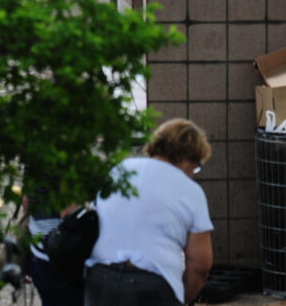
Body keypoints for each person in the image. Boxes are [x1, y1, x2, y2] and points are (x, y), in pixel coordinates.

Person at [85, 119, 213, 306]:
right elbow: (200, 264)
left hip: (100, 281)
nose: (193, 173)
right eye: (195, 166)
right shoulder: (190, 190)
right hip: (152, 288)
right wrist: (181, 297)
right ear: (187, 158)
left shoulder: (119, 170)